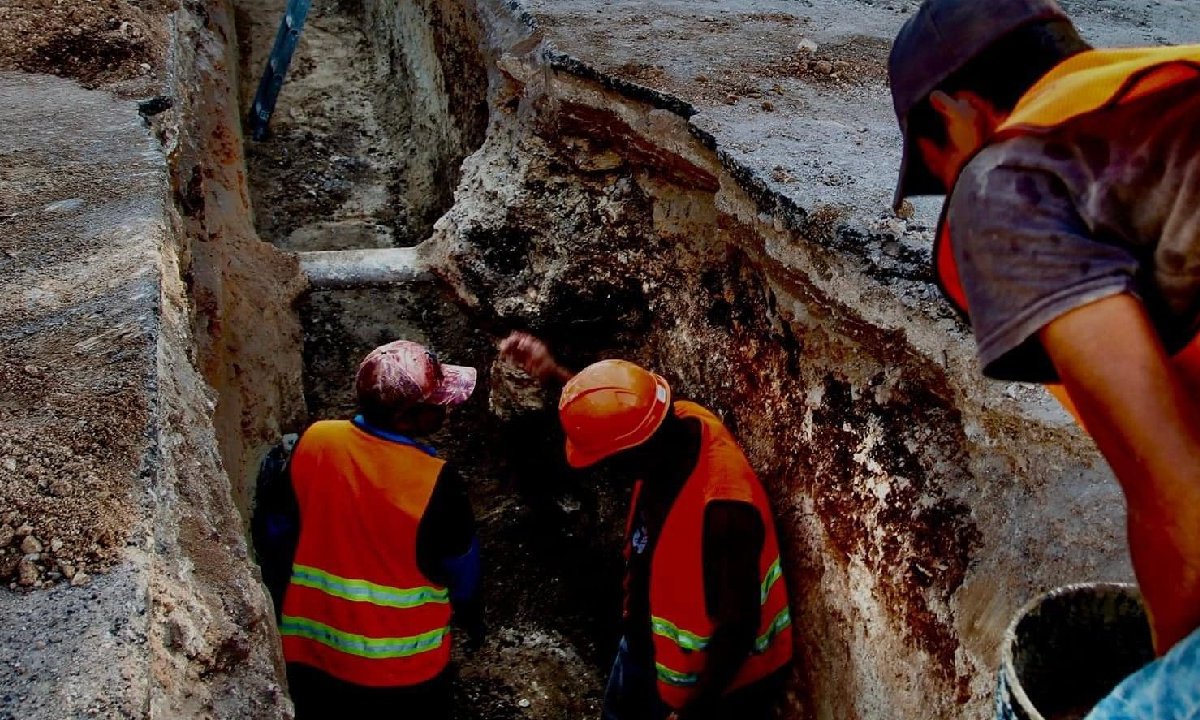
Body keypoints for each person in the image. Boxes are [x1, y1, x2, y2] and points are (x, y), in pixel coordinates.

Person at [888, 0, 1200, 714]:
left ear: (957, 110)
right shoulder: (1166, 89)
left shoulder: (1007, 177)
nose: (953, 193)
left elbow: (1177, 492)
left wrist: (1172, 665)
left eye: (940, 169)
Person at [499, 332, 793, 720]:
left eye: (608, 462)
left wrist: (693, 712)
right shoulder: (673, 423)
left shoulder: (724, 511)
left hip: (709, 688)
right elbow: (619, 411)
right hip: (643, 648)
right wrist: (555, 375)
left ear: (635, 454)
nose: (607, 472)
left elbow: (738, 627)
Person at [253, 340, 484, 718]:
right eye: (436, 405)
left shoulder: (317, 440)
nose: (445, 409)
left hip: (312, 655)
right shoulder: (435, 480)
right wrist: (472, 617)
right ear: (409, 418)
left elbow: (276, 534)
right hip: (406, 672)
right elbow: (463, 572)